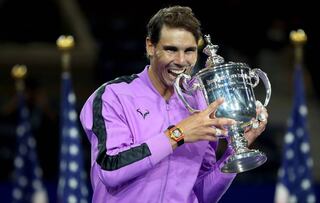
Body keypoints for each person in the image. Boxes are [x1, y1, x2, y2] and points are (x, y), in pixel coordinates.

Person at [79, 5, 268, 203]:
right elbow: (110, 169)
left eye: (189, 51)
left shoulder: (201, 104)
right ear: (150, 47)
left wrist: (233, 153)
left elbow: (202, 194)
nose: (181, 61)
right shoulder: (113, 96)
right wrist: (178, 134)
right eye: (171, 49)